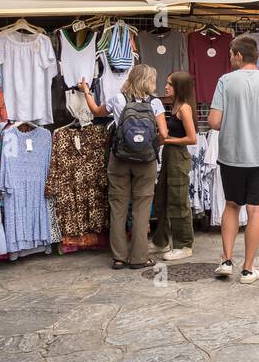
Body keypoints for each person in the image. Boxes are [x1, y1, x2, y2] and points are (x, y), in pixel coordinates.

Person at [208, 34, 259, 284]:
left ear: (239, 55)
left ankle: (226, 260)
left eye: (231, 54)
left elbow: (213, 121)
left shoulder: (225, 82)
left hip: (231, 156)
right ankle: (248, 269)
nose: (230, 58)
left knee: (232, 205)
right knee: (256, 211)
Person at [78, 64, 168, 270]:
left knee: (118, 207)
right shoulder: (155, 103)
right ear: (150, 81)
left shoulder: (118, 99)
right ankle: (139, 257)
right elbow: (164, 134)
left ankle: (119, 257)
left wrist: (86, 92)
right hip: (146, 162)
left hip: (119, 159)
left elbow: (96, 111)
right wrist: (151, 146)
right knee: (141, 208)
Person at [153, 70, 197, 261]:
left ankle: (184, 245)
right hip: (169, 156)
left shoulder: (184, 108)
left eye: (170, 84)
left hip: (178, 157)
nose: (166, 87)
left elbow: (192, 138)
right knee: (161, 197)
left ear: (179, 87)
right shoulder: (174, 106)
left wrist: (168, 140)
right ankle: (160, 241)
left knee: (178, 201)